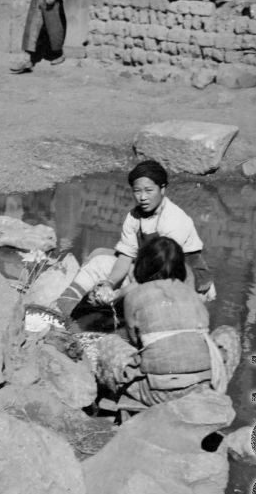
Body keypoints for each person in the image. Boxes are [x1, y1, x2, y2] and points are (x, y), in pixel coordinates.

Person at [55, 160, 215, 325]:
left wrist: (119, 293)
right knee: (99, 259)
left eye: (149, 190)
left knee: (124, 281)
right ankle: (64, 309)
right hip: (148, 267)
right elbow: (126, 256)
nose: (143, 197)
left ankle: (107, 320)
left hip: (181, 275)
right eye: (137, 191)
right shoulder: (134, 216)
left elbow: (158, 273)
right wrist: (109, 283)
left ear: (163, 189)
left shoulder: (174, 221)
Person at [94, 236, 240, 409]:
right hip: (202, 387)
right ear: (181, 267)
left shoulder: (133, 296)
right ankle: (215, 393)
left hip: (157, 393)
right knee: (228, 333)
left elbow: (136, 341)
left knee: (106, 344)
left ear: (142, 264)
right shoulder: (193, 295)